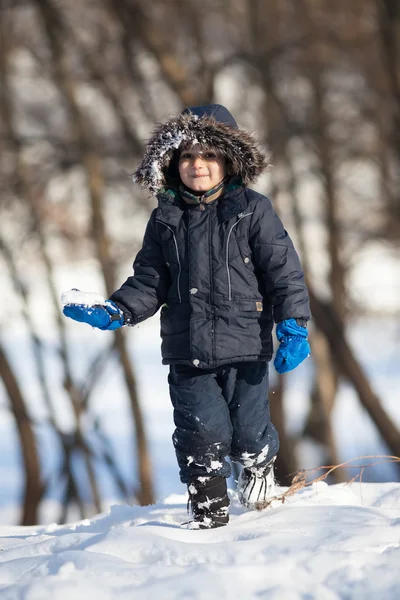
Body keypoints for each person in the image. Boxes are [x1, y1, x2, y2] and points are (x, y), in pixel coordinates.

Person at [63, 104, 311, 529]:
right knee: (202, 434)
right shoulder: (165, 218)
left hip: (247, 345)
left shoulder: (253, 209)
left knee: (249, 433)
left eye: (209, 156)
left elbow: (283, 271)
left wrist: (293, 324)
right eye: (188, 157)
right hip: (187, 349)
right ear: (173, 163)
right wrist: (118, 310)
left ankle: (257, 468)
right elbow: (150, 280)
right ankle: (208, 517)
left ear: (229, 161)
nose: (198, 165)